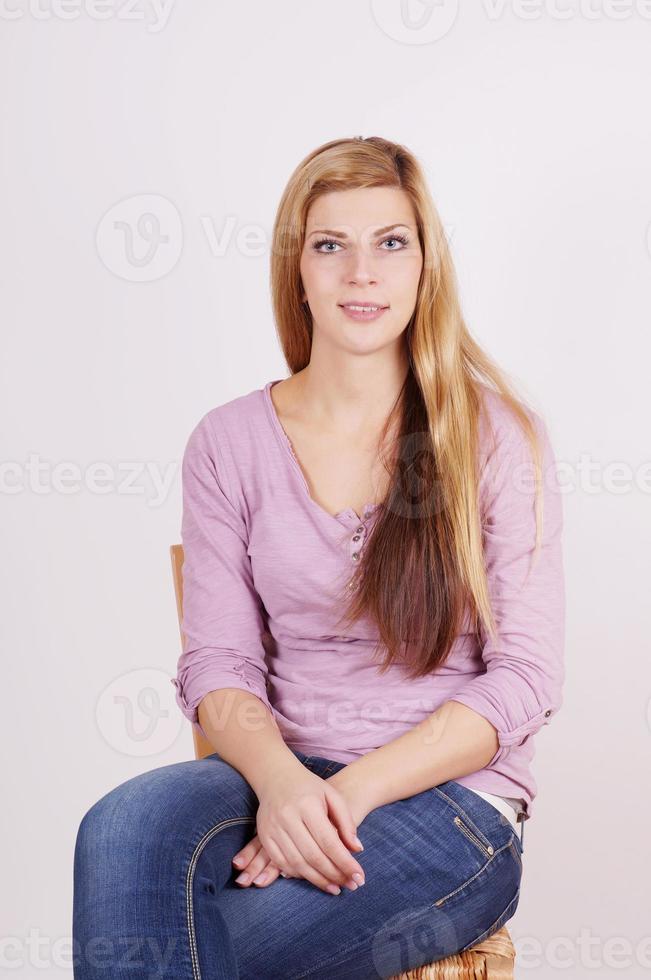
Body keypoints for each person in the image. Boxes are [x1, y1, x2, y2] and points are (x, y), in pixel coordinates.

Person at [73, 135, 565, 978]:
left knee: (213, 944)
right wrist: (284, 785)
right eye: (330, 245)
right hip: (277, 773)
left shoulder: (493, 436)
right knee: (122, 828)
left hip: (449, 808)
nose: (360, 274)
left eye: (390, 243)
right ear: (296, 270)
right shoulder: (228, 441)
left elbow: (525, 679)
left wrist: (346, 794)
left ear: (424, 268)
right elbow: (218, 668)